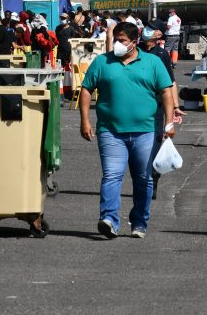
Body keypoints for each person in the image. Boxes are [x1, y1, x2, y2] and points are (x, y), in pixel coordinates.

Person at [80, 22, 175, 239]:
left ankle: (139, 221)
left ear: (134, 42)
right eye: (115, 40)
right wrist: (84, 120)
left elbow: (167, 92)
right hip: (110, 131)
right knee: (111, 176)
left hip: (145, 132)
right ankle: (109, 220)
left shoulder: (152, 62)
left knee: (144, 178)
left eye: (121, 41)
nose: (117, 45)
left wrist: (169, 123)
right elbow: (86, 90)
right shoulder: (102, 62)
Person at [141, 24, 186, 199]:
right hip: (139, 106)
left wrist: (175, 107)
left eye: (152, 29)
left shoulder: (161, 55)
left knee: (155, 145)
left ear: (159, 34)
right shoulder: (135, 50)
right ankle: (143, 181)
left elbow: (170, 83)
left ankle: (153, 181)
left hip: (157, 106)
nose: (147, 31)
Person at [57, 13, 79, 95]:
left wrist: (71, 53)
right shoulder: (58, 28)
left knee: (69, 70)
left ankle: (70, 88)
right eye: (61, 18)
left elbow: (73, 41)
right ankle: (60, 88)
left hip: (69, 51)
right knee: (59, 68)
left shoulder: (71, 29)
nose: (62, 19)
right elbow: (56, 38)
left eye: (64, 18)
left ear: (68, 18)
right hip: (60, 51)